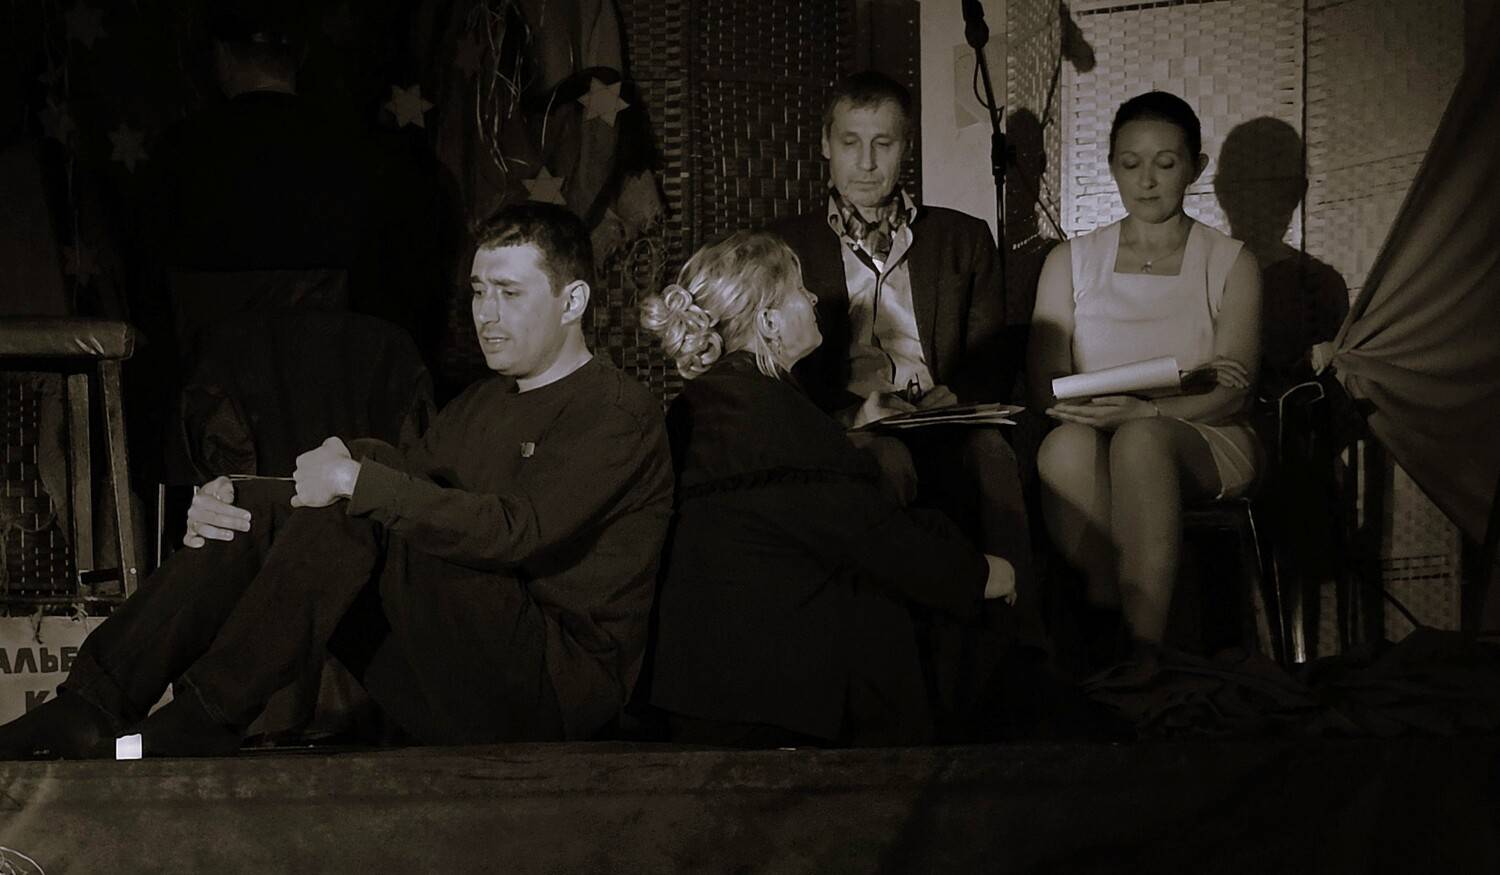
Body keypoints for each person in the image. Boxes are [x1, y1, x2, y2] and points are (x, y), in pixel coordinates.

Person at [0, 203, 673, 758]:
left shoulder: (616, 411)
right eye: (477, 292)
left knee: (366, 478)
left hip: (550, 693)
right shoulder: (482, 404)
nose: (486, 314)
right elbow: (403, 497)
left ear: (572, 300)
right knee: (275, 500)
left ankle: (209, 712)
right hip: (454, 679)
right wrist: (239, 497)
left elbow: (512, 531)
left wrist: (355, 475)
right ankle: (90, 704)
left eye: (510, 293)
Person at [640, 230, 1020, 747]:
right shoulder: (771, 414)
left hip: (704, 686)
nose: (814, 298)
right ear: (769, 322)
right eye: (799, 290)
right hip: (772, 702)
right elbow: (873, 539)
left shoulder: (714, 403)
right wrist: (981, 574)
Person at [772, 71, 1042, 651]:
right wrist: (853, 413)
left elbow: (992, 350)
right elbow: (774, 366)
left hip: (941, 415)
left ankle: (1022, 642)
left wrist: (958, 394)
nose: (866, 163)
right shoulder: (784, 246)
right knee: (884, 460)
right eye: (851, 142)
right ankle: (885, 653)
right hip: (848, 421)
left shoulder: (962, 238)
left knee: (992, 455)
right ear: (825, 145)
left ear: (907, 147)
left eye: (884, 143)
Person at [1028, 91, 1263, 649]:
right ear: (1112, 166)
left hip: (1204, 433)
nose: (1147, 181)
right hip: (1097, 425)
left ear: (1195, 168)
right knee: (1061, 447)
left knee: (1140, 442)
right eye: (1131, 164)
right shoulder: (1069, 260)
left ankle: (1144, 654)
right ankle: (1108, 623)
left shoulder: (1231, 261)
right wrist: (1102, 413)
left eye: (1166, 163)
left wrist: (1146, 413)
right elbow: (1047, 385)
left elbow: (1234, 391)